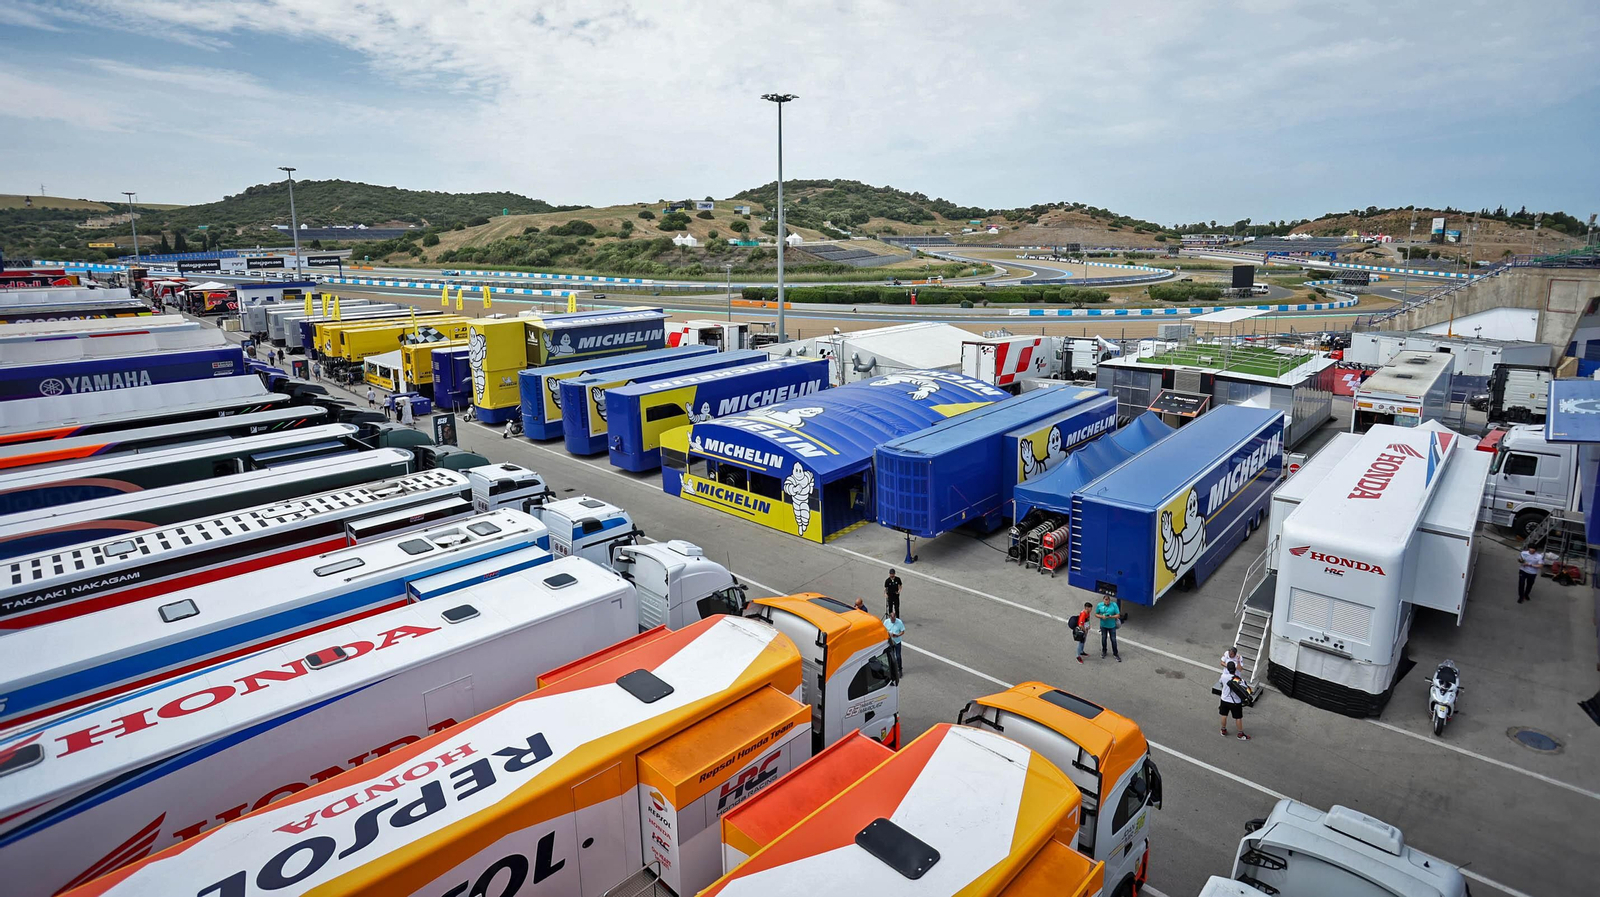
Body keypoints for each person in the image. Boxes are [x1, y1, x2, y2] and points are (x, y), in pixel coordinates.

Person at [1218, 661, 1251, 740]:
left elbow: (1220, 683)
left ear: (1227, 668)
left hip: (1224, 699)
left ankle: (1223, 730)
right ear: (1235, 669)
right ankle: (1240, 734)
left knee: (1224, 715)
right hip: (1236, 702)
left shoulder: (1223, 676)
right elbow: (1247, 689)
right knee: (1238, 717)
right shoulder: (1238, 679)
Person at [1094, 595, 1122, 661]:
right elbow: (1096, 614)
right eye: (1105, 600)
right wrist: (1101, 616)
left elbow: (1118, 615)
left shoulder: (1114, 605)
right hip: (1103, 626)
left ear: (1109, 600)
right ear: (1103, 600)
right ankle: (1104, 651)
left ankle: (1115, 654)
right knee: (1104, 639)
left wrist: (1111, 617)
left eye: (1107, 600)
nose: (1106, 602)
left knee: (1113, 640)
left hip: (1112, 626)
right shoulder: (1099, 605)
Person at [884, 610, 905, 682]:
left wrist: (897, 635)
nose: (893, 620)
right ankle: (891, 669)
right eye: (892, 619)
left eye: (894, 619)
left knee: (898, 656)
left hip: (897, 641)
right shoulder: (886, 622)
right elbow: (883, 630)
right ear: (890, 618)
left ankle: (900, 669)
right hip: (890, 642)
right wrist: (889, 634)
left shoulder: (899, 622)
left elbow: (902, 631)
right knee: (890, 656)